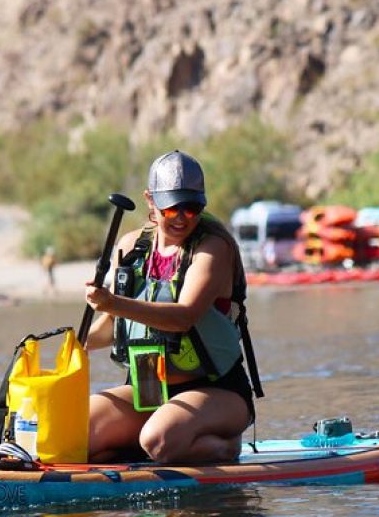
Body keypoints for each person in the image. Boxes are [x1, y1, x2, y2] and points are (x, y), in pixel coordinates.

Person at [84, 150, 260, 465]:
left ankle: (224, 446)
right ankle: (148, 445)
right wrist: (78, 345)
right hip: (150, 391)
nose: (181, 217)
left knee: (158, 439)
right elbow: (114, 324)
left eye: (192, 208)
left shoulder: (212, 249)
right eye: (172, 208)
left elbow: (184, 317)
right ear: (151, 200)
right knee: (78, 431)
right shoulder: (131, 246)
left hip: (218, 391)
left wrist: (113, 302)